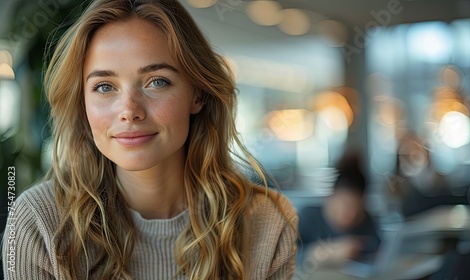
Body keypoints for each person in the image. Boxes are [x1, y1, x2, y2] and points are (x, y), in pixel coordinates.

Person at [1, 0, 297, 279]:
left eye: (157, 81)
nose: (129, 111)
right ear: (82, 103)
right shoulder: (39, 222)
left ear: (197, 94)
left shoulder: (266, 221)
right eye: (104, 86)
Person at [298, 153, 380, 267]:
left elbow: (377, 249)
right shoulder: (308, 216)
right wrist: (318, 253)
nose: (351, 214)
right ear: (331, 198)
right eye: (345, 205)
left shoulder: (364, 219)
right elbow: (285, 257)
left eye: (356, 208)